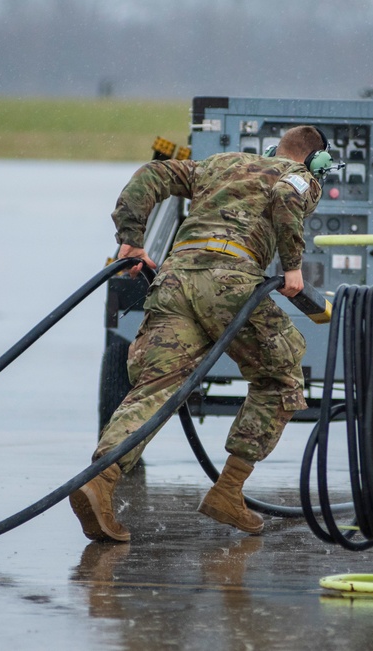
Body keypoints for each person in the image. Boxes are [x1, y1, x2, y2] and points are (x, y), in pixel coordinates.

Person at [69, 125, 325, 542]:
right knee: (280, 379)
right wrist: (292, 266)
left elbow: (150, 176)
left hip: (175, 279)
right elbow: (285, 199)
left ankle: (100, 479)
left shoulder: (217, 164)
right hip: (230, 280)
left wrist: (131, 240)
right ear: (313, 159)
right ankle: (228, 491)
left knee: (157, 385)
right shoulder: (300, 177)